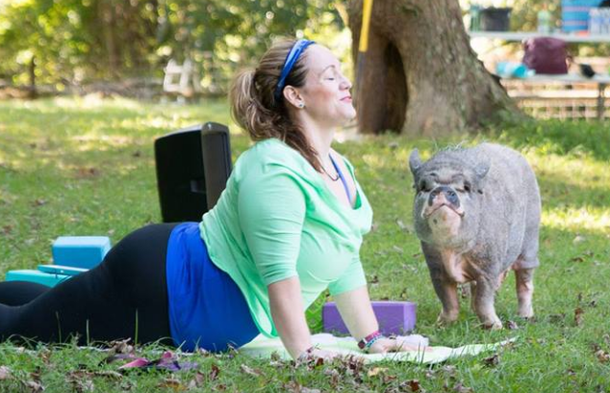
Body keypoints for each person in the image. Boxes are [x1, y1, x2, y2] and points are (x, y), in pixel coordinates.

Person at [0, 39, 417, 360]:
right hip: (161, 285)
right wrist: (304, 353)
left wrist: (372, 339)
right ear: (296, 96)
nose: (345, 82)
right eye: (330, 75)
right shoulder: (273, 168)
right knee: (20, 326)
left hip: (178, 289)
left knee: (41, 305)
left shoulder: (339, 168)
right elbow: (280, 275)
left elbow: (345, 257)